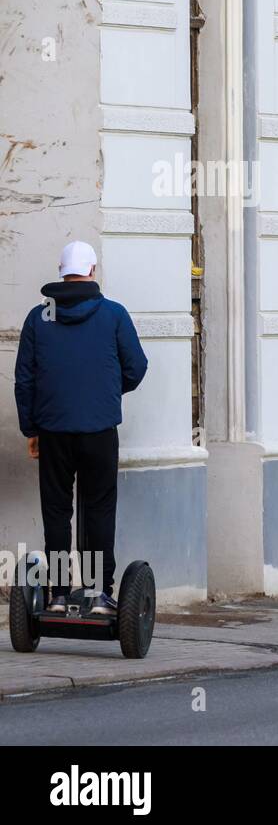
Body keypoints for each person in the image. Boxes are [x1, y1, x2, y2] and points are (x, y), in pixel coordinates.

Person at [13, 241, 148, 616]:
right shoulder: (113, 314)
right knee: (99, 507)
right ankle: (97, 595)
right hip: (99, 429)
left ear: (60, 272)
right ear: (92, 271)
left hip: (53, 429)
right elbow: (136, 368)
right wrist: (103, 392)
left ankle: (58, 596)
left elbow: (24, 381)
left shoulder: (40, 317)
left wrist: (32, 430)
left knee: (57, 510)